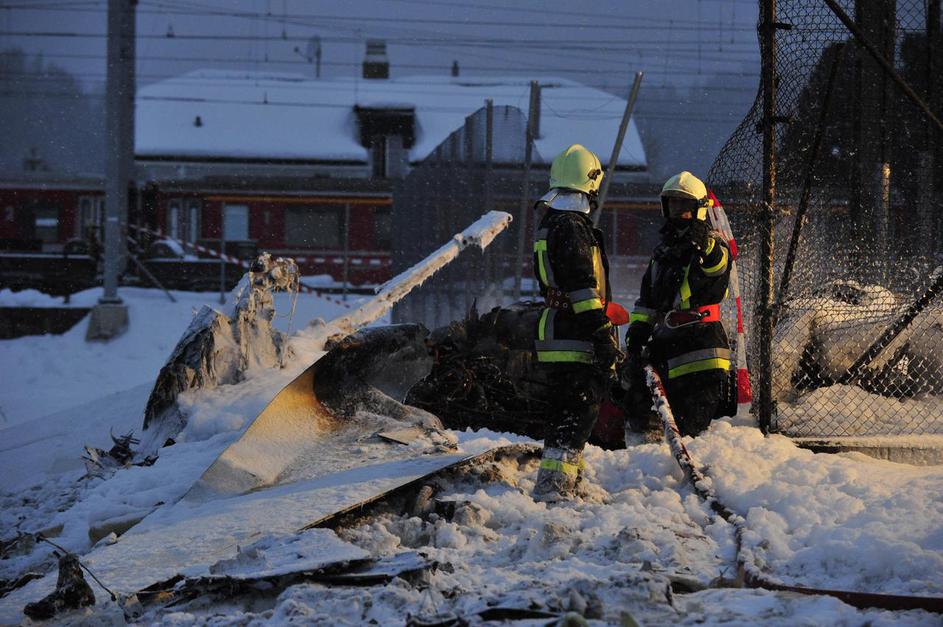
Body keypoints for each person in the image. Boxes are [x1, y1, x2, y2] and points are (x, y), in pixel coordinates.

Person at [531, 144, 623, 502]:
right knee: (577, 411)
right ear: (591, 183)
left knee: (568, 411)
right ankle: (554, 488)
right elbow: (583, 287)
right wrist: (600, 332)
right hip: (574, 331)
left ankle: (568, 482)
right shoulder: (572, 227)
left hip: (558, 328)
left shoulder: (553, 222)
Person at [621, 171, 731, 438]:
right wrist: (637, 336)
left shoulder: (713, 243)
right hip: (667, 342)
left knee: (692, 430)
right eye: (673, 204)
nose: (678, 211)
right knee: (638, 406)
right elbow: (647, 301)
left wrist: (704, 244)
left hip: (701, 347)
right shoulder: (662, 252)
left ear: (699, 209)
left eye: (685, 205)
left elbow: (718, 267)